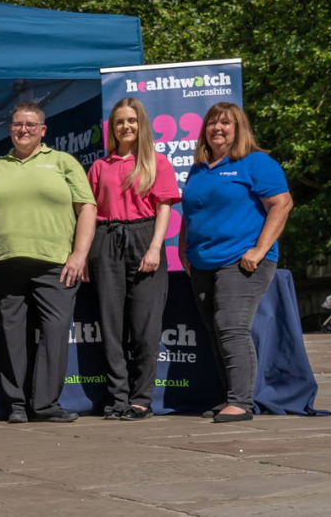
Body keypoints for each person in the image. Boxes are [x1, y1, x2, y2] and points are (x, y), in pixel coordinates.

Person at [0, 101, 97, 424]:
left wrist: (79, 255)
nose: (22, 130)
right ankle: (16, 405)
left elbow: (87, 209)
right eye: (16, 124)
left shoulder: (63, 162)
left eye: (30, 125)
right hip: (4, 264)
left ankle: (45, 405)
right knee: (12, 336)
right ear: (10, 128)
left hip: (55, 264)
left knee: (54, 333)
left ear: (43, 130)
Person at [178, 102, 294, 423]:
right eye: (212, 123)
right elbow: (191, 212)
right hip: (202, 262)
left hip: (241, 261)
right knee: (216, 331)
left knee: (232, 327)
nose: (218, 128)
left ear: (238, 128)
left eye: (226, 123)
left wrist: (258, 250)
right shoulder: (199, 168)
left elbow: (282, 205)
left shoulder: (257, 162)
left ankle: (241, 402)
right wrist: (182, 250)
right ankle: (229, 396)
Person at [87, 98, 180, 421]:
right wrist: (85, 254)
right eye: (118, 122)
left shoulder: (157, 163)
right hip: (106, 239)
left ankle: (141, 400)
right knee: (111, 327)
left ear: (141, 124)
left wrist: (155, 247)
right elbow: (89, 213)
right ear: (111, 128)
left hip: (144, 237)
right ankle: (117, 399)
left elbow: (164, 207)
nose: (125, 126)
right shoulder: (100, 166)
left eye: (131, 120)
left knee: (145, 326)